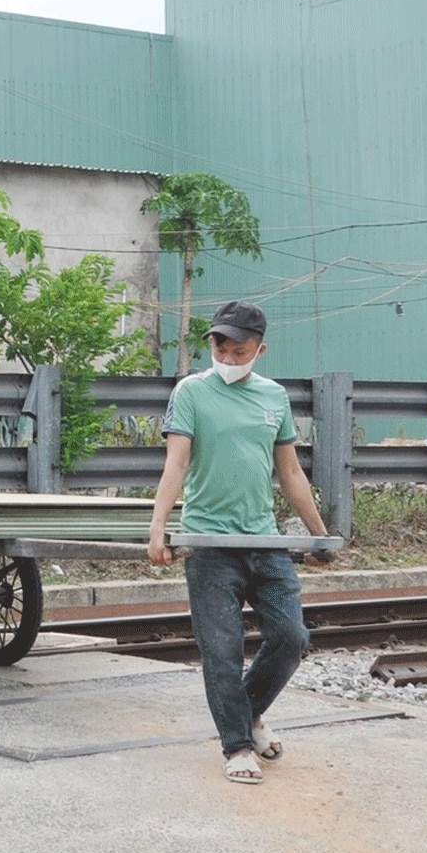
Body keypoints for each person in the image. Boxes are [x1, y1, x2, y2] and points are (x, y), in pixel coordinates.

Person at [143, 300, 336, 786]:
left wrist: (318, 533)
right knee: (222, 648)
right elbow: (177, 464)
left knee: (292, 638)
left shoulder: (275, 398)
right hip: (210, 542)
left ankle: (245, 714)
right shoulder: (191, 393)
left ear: (260, 350)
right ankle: (237, 746)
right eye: (221, 349)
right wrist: (158, 527)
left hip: (264, 539)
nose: (228, 359)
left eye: (240, 351)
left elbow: (290, 471)